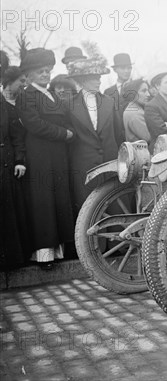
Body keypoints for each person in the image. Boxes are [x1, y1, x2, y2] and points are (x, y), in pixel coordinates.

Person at [16, 48, 75, 269]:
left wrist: (70, 131)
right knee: (43, 202)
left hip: (58, 154)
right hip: (39, 153)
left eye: (47, 70)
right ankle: (44, 256)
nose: (45, 74)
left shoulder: (51, 94)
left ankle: (58, 251)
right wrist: (63, 134)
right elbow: (34, 124)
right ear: (29, 74)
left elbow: (66, 119)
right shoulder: (26, 94)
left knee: (59, 198)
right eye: (39, 70)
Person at [67, 54, 121, 215]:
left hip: (110, 163)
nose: (99, 81)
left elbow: (119, 134)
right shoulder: (68, 104)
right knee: (88, 211)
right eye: (94, 77)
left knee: (114, 207)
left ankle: (115, 240)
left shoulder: (109, 102)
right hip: (84, 166)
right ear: (82, 80)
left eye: (99, 77)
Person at [0, 64, 30, 270]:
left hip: (9, 163)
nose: (24, 85)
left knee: (11, 209)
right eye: (21, 81)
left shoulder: (16, 105)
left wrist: (20, 160)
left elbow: (18, 137)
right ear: (10, 82)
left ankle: (13, 259)